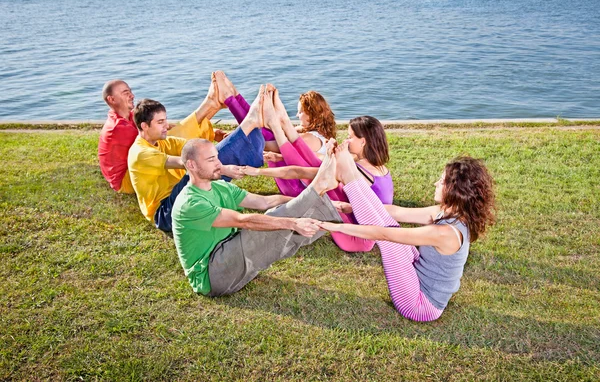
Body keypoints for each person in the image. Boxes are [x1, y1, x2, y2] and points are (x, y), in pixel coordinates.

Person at [171, 89, 344, 296]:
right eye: (211, 160)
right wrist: (292, 221)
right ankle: (319, 190)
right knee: (268, 225)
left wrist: (306, 203)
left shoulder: (219, 187)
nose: (219, 164)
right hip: (213, 275)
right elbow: (243, 221)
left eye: (217, 157)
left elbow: (265, 202)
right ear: (191, 165)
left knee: (283, 225)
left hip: (232, 260)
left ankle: (326, 207)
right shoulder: (189, 203)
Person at [318, 143, 496, 322]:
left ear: (455, 190)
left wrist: (334, 226)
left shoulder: (445, 233)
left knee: (390, 238)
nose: (435, 183)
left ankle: (348, 176)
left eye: (441, 182)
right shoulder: (451, 213)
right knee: (390, 226)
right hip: (416, 280)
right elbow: (396, 212)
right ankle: (350, 174)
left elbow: (384, 235)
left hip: (419, 306)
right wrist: (350, 206)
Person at [245, 93, 392, 252]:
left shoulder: (360, 170)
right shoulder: (377, 168)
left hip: (356, 237)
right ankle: (281, 123)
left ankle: (280, 124)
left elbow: (300, 171)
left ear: (363, 141)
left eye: (350, 137)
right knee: (320, 169)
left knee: (319, 176)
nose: (347, 140)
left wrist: (258, 172)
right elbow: (316, 158)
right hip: (362, 226)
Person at [127, 84, 266, 233]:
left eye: (165, 120)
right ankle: (250, 122)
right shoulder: (140, 153)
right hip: (165, 214)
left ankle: (250, 129)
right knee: (200, 163)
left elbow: (195, 147)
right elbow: (185, 163)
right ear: (144, 126)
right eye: (160, 122)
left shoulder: (162, 142)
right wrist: (225, 168)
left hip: (179, 197)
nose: (166, 126)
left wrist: (223, 143)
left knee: (206, 155)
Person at [98, 76, 226, 194]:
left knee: (174, 137)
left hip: (141, 166)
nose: (132, 95)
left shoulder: (130, 116)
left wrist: (212, 133)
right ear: (112, 99)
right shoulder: (117, 128)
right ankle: (210, 104)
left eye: (130, 91)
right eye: (126, 93)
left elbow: (168, 127)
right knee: (173, 139)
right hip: (126, 180)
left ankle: (212, 105)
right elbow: (163, 136)